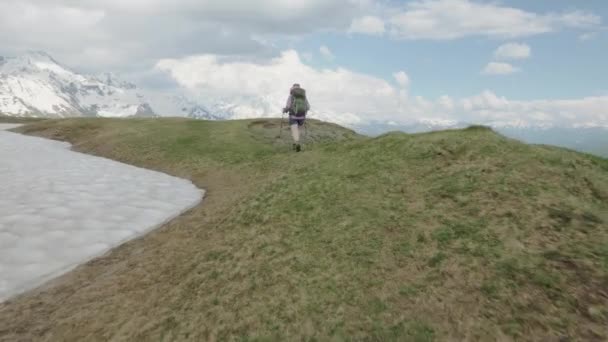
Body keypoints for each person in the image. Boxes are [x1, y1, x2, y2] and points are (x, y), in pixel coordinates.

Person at [283, 83, 310, 152]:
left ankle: (297, 143)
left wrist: (285, 110)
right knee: (298, 130)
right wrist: (304, 112)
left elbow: (288, 106)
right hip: (301, 117)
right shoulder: (303, 97)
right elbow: (308, 107)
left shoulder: (291, 96)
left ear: (292, 89)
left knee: (294, 130)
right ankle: (295, 143)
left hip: (293, 116)